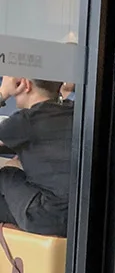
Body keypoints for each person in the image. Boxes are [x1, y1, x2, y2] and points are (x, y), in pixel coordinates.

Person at [0, 77, 73, 238]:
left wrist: (2, 93)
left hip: (46, 217)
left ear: (25, 84)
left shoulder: (25, 121)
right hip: (78, 216)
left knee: (6, 174)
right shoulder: (73, 110)